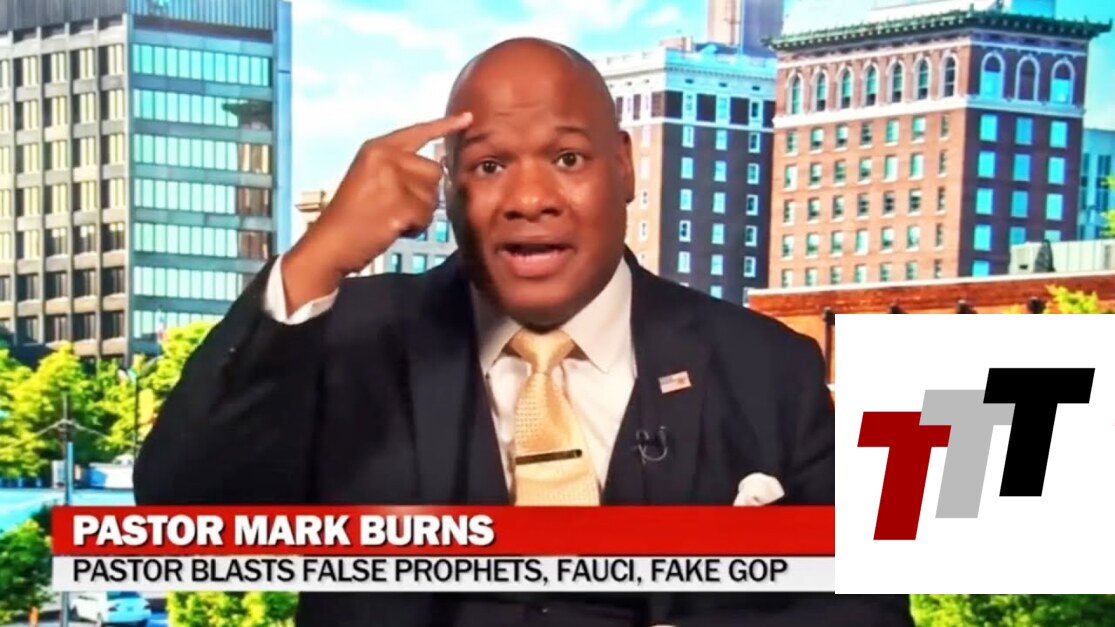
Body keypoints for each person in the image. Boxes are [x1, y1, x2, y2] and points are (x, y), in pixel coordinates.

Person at [135, 38, 913, 626]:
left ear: (622, 166)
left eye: (567, 158)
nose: (529, 197)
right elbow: (181, 515)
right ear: (445, 187)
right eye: (488, 166)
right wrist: (317, 259)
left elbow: (864, 610)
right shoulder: (349, 337)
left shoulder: (766, 366)